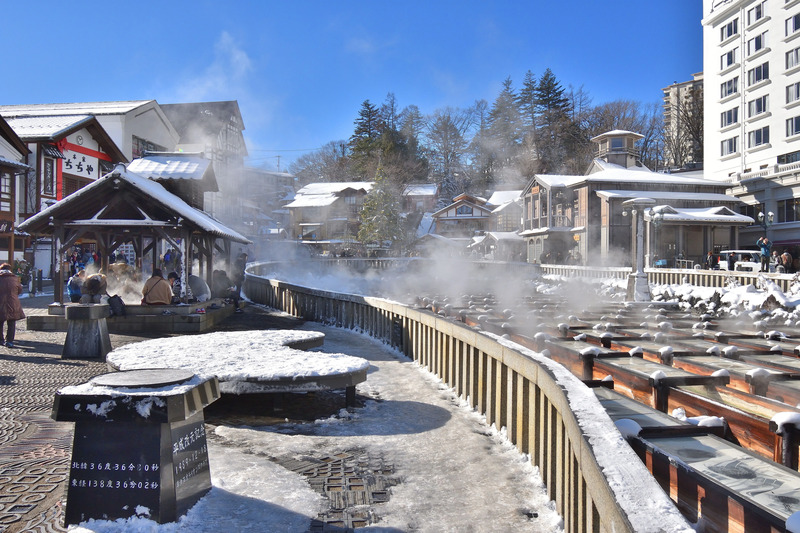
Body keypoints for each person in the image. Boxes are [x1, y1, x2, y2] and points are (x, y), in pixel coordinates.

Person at [0, 263, 25, 348]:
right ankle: (9, 341)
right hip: (13, 302)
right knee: (11, 322)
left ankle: (0, 340)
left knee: (0, 322)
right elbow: (19, 290)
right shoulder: (14, 278)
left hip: (1, 303)